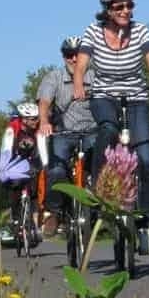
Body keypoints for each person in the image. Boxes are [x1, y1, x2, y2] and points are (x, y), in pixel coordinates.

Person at [72, 0, 149, 255]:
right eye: (120, 6)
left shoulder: (140, 30)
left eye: (130, 5)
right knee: (106, 128)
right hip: (104, 95)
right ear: (107, 9)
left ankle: (144, 222)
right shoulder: (93, 32)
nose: (126, 10)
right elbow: (82, 64)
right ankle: (98, 186)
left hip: (136, 97)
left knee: (145, 158)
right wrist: (79, 84)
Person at [37, 35, 98, 235]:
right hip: (64, 132)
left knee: (103, 165)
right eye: (68, 55)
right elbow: (45, 102)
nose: (73, 59)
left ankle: (101, 204)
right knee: (55, 170)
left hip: (92, 131)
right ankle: (54, 213)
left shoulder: (95, 76)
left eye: (77, 55)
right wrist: (44, 122)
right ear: (63, 57)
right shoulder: (53, 77)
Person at [1, 102, 46, 239]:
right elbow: (6, 150)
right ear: (24, 120)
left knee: (34, 189)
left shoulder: (38, 129)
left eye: (37, 118)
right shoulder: (12, 129)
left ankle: (33, 222)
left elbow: (42, 149)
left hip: (31, 159)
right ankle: (15, 218)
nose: (36, 121)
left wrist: (44, 165)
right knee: (15, 185)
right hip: (14, 159)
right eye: (33, 119)